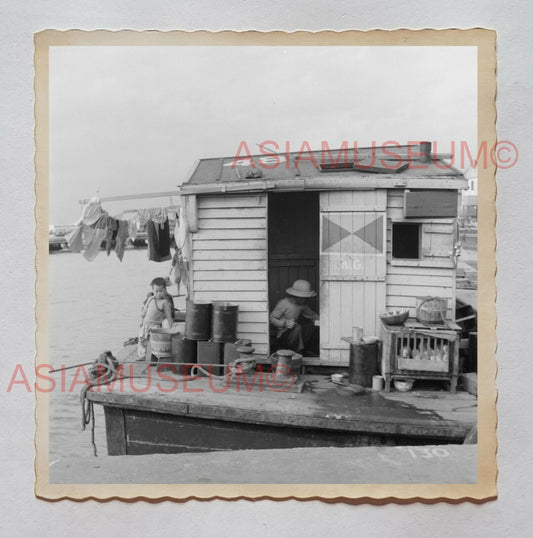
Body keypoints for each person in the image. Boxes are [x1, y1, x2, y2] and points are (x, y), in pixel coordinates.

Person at [270, 279, 319, 354]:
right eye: (303, 297)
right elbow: (272, 318)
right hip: (283, 335)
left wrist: (324, 322)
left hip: (296, 333)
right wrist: (284, 323)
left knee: (312, 326)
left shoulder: (302, 305)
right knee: (297, 328)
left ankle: (304, 349)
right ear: (295, 295)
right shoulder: (284, 303)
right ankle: (292, 351)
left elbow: (314, 316)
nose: (305, 300)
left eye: (306, 298)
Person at [137, 277, 174, 360]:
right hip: (145, 325)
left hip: (155, 327)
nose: (158, 293)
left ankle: (154, 357)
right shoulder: (150, 299)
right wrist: (141, 322)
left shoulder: (165, 303)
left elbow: (169, 317)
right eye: (156, 291)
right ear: (153, 291)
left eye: (161, 291)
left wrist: (172, 328)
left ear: (165, 290)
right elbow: (144, 312)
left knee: (154, 343)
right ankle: (142, 355)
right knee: (142, 341)